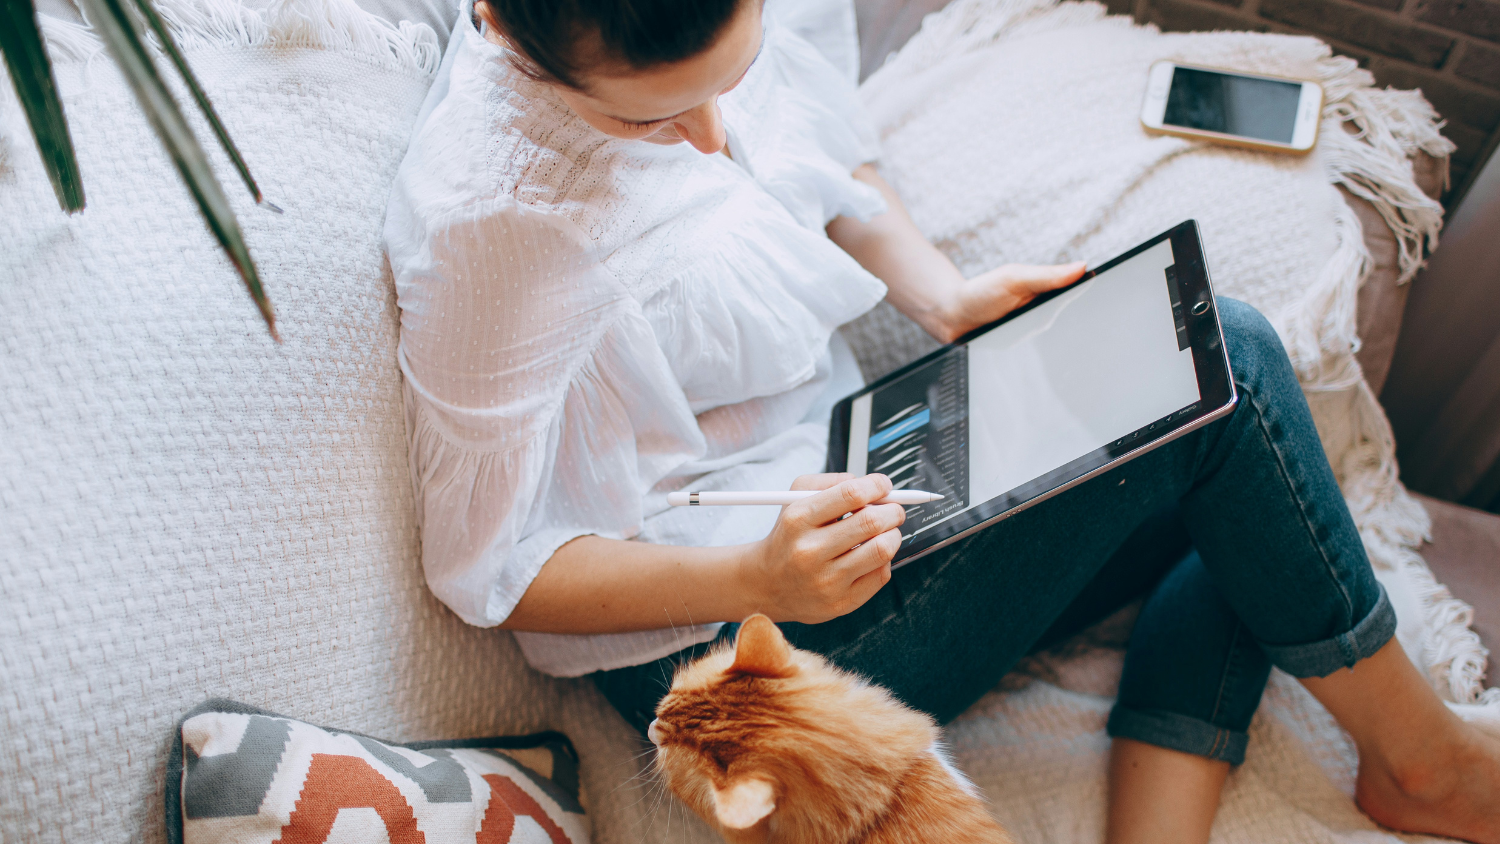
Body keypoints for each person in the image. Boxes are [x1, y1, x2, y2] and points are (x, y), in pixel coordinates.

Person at [381, 0, 1500, 841]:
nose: (718, 138)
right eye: (662, 115)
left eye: (737, 73)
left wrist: (944, 296)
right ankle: (1429, 764)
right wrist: (758, 582)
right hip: (738, 644)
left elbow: (828, 149)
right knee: (1240, 375)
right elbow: (491, 568)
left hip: (856, 473)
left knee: (1240, 457)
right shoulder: (498, 229)